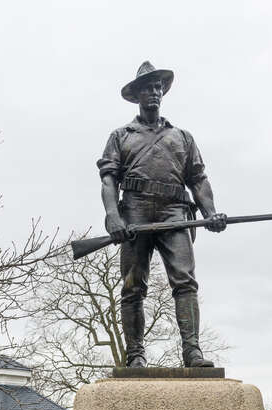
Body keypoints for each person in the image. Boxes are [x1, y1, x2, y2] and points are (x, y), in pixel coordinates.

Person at [97, 61, 227, 368]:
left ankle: (192, 351)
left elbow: (198, 178)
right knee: (132, 288)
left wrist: (210, 212)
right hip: (135, 214)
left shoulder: (182, 137)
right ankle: (135, 354)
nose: (154, 92)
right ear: (137, 95)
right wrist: (113, 217)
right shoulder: (121, 136)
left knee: (185, 282)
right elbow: (108, 180)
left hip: (174, 214)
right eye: (147, 88)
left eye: (158, 88)